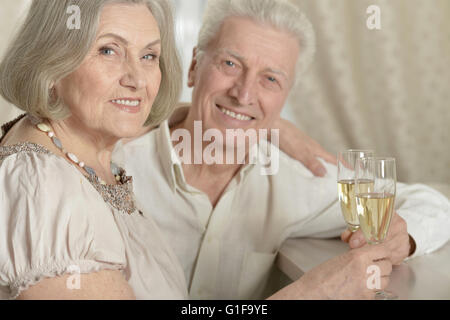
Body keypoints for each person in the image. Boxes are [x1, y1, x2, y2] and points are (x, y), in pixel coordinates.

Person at [113, 0, 450, 299]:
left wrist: (403, 239)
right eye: (230, 64)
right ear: (193, 67)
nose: (244, 94)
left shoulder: (295, 178)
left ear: (286, 95)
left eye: (270, 79)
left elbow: (433, 205)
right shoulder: (112, 166)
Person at [0, 0, 188, 299]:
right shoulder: (48, 187)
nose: (138, 80)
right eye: (108, 50)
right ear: (52, 63)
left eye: (149, 55)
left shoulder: (79, 151)